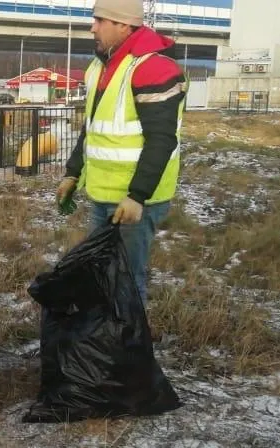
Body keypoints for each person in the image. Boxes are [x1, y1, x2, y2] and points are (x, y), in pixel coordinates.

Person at [57, 0, 187, 307]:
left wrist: (137, 196)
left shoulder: (153, 68)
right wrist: (73, 172)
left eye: (100, 20)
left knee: (127, 279)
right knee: (102, 272)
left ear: (124, 26)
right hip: (103, 195)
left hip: (135, 201)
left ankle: (127, 348)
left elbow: (161, 141)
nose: (93, 27)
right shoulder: (100, 67)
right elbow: (92, 128)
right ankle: (104, 340)